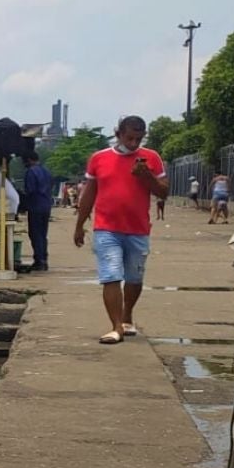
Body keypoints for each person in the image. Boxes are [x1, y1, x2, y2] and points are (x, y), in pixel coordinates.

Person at [73, 115, 169, 344]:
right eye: (130, 138)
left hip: (137, 229)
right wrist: (80, 225)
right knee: (111, 275)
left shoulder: (151, 158)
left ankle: (127, 316)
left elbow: (163, 193)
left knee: (134, 277)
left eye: (139, 138)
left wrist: (147, 177)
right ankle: (116, 327)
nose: (134, 143)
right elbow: (89, 194)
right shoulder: (99, 159)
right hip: (106, 228)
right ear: (118, 135)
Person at [21, 152, 53, 271]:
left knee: (35, 234)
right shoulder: (46, 171)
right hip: (46, 205)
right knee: (43, 234)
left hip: (35, 206)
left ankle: (39, 260)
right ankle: (43, 259)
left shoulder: (31, 172)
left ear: (29, 160)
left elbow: (30, 190)